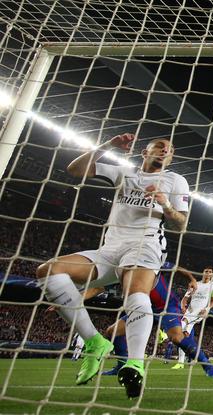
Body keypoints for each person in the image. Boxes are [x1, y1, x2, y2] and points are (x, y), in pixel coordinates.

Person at [36, 134, 189, 398]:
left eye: (170, 150)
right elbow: (75, 169)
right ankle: (94, 342)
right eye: (160, 147)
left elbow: (181, 224)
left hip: (146, 245)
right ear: (145, 152)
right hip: (109, 250)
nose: (165, 151)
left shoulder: (176, 180)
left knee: (136, 293)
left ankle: (136, 364)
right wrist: (107, 146)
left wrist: (164, 203)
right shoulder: (124, 173)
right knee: (48, 270)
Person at [99, 263, 213, 377]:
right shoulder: (122, 269)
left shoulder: (151, 261)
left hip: (166, 306)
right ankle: (121, 365)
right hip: (145, 308)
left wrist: (191, 278)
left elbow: (176, 267)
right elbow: (100, 286)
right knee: (112, 331)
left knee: (176, 337)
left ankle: (206, 364)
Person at [173, 267, 213, 369]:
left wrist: (207, 308)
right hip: (190, 310)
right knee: (183, 335)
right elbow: (186, 297)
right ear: (203, 273)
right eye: (206, 271)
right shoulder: (196, 284)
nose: (208, 273)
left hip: (200, 312)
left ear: (212, 274)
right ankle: (180, 362)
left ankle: (165, 335)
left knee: (184, 321)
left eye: (210, 272)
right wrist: (183, 305)